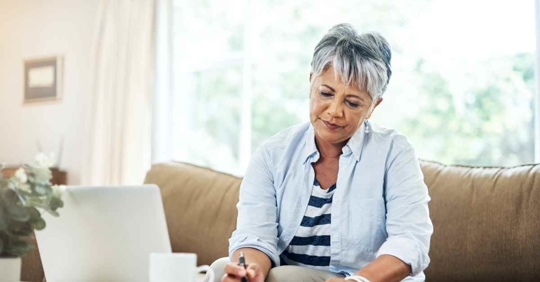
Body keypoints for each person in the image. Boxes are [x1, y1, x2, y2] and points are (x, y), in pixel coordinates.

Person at [210, 23, 433, 282]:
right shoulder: (273, 154)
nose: (334, 111)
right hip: (290, 277)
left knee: (285, 278)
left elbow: (410, 241)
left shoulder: (394, 153)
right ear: (310, 82)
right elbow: (255, 237)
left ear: (373, 106)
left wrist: (358, 281)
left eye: (352, 103)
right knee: (219, 270)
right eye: (325, 93)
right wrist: (248, 272)